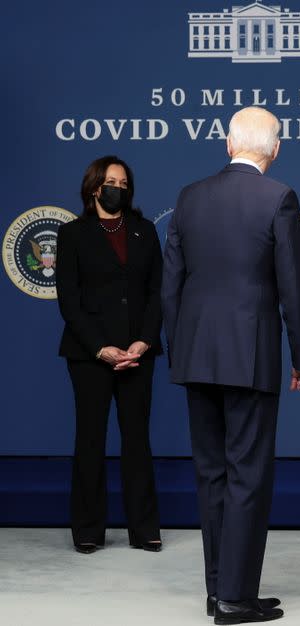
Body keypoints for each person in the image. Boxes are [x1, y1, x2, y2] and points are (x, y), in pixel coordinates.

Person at [162, 106, 300, 624]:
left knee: (211, 476)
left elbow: (170, 288)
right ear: (275, 149)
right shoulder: (279, 197)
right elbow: (295, 289)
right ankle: (235, 598)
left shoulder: (189, 196)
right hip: (250, 356)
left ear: (229, 145)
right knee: (247, 475)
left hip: (195, 354)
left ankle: (218, 590)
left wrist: (179, 347)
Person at [56, 155, 163, 555]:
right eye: (110, 181)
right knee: (90, 439)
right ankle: (87, 530)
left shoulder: (145, 231)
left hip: (138, 352)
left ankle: (145, 528)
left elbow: (157, 292)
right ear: (94, 187)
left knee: (137, 440)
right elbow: (69, 300)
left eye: (124, 181)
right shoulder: (72, 234)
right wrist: (100, 347)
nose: (118, 187)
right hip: (89, 355)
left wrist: (144, 341)